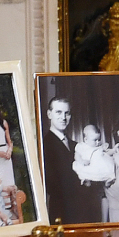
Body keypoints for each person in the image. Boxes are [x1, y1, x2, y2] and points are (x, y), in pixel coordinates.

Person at [41, 95, 98, 223]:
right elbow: (52, 185)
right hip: (62, 212)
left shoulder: (75, 145)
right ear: (49, 114)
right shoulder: (45, 144)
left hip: (82, 212)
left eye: (67, 113)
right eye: (59, 112)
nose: (63, 117)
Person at [73, 123, 117, 219]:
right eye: (95, 140)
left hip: (99, 169)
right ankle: (86, 180)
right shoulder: (81, 146)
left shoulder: (99, 147)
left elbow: (106, 153)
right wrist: (82, 161)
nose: (97, 142)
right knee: (81, 171)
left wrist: (113, 151)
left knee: (109, 168)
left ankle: (108, 179)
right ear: (86, 139)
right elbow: (77, 155)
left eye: (99, 139)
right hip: (88, 166)